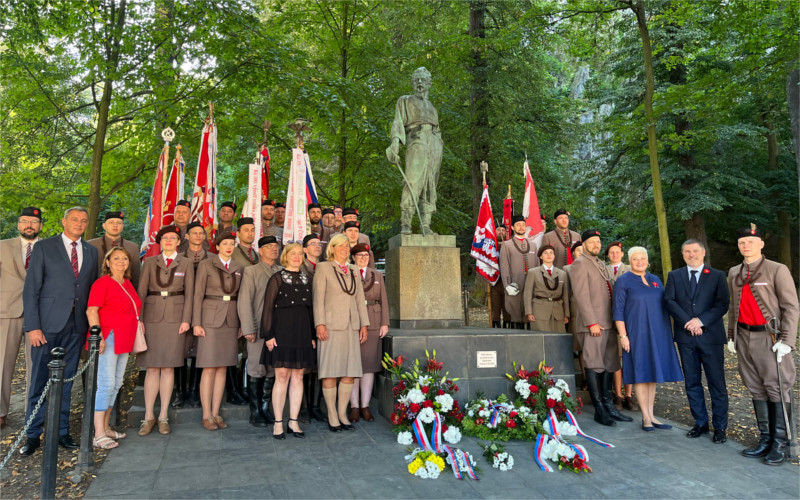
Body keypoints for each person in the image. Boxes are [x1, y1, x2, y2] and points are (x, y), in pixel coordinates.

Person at [21, 207, 99, 455]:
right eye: (74, 219)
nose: (79, 223)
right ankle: (33, 434)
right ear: (63, 221)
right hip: (47, 327)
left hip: (76, 327)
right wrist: (33, 327)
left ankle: (61, 431)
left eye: (83, 220)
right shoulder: (44, 247)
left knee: (66, 381)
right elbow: (31, 290)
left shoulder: (91, 251)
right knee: (39, 382)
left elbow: (91, 290)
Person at [727, 224, 798, 466]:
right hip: (744, 337)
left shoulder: (777, 270)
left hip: (770, 339)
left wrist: (787, 341)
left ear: (761, 244)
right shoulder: (734, 271)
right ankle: (765, 439)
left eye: (750, 241)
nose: (745, 246)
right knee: (755, 388)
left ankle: (781, 443)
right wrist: (731, 336)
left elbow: (791, 307)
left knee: (776, 387)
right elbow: (733, 307)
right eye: (741, 242)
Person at [663, 239, 730, 443]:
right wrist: (688, 322)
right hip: (686, 337)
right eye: (687, 251)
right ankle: (700, 422)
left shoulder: (717, 276)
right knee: (692, 382)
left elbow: (722, 304)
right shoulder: (675, 275)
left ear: (703, 253)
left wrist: (701, 322)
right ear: (682, 254)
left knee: (716, 383)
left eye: (695, 251)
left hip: (710, 337)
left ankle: (720, 427)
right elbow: (669, 300)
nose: (691, 254)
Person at [613, 246, 683, 431]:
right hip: (636, 333)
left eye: (642, 258)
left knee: (652, 374)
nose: (640, 262)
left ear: (648, 260)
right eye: (635, 259)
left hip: (659, 332)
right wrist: (623, 336)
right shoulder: (623, 281)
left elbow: (667, 304)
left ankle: (652, 415)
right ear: (629, 261)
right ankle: (645, 417)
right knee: (641, 372)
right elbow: (618, 310)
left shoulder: (655, 280)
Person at [136, 225, 194, 436]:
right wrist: (139, 319)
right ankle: (149, 416)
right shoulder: (150, 262)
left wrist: (187, 319)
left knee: (169, 368)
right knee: (152, 368)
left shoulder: (186, 263)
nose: (169, 241)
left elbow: (191, 293)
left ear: (179, 242)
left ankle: (163, 416)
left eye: (173, 238)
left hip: (175, 318)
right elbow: (141, 292)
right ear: (159, 242)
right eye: (165, 238)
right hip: (151, 318)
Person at [569, 229, 630, 427]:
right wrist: (591, 322)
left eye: (598, 241)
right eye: (592, 241)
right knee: (594, 364)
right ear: (583, 244)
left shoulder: (600, 264)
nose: (596, 245)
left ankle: (609, 406)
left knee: (609, 363)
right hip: (593, 324)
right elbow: (581, 295)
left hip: (608, 323)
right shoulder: (580, 264)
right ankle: (599, 410)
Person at [312, 234, 370, 432]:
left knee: (349, 373)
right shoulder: (323, 268)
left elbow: (359, 299)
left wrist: (364, 324)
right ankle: (332, 414)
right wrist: (319, 324)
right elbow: (318, 299)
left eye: (347, 246)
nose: (345, 249)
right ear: (332, 248)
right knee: (330, 371)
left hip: (351, 327)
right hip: (330, 327)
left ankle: (343, 413)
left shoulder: (354, 270)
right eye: (340, 246)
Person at [86, 247, 140, 449]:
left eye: (124, 258)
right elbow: (92, 310)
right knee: (106, 384)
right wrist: (97, 335)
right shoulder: (103, 283)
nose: (121, 261)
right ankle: (98, 434)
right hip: (107, 338)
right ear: (107, 262)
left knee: (116, 384)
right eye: (116, 258)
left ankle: (106, 427)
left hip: (124, 340)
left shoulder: (126, 283)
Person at [261, 243, 316, 439]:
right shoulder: (276, 278)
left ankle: (293, 421)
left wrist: (311, 335)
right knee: (282, 376)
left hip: (302, 332)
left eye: (300, 254)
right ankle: (278, 422)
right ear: (286, 256)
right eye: (293, 253)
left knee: (298, 376)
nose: (296, 256)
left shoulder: (308, 278)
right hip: (281, 332)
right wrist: (268, 334)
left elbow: (311, 310)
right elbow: (267, 308)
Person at [193, 231, 244, 431]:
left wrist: (240, 324)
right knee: (209, 367)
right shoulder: (206, 264)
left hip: (230, 319)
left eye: (232, 243)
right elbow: (197, 294)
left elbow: (240, 297)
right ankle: (206, 414)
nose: (229, 247)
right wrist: (196, 322)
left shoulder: (238, 267)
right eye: (225, 244)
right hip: (210, 319)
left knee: (223, 367)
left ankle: (216, 412)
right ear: (218, 246)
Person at [386, 67, 443, 236]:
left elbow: (437, 129)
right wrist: (395, 143)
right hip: (416, 139)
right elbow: (398, 122)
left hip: (434, 143)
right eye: (417, 79)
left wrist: (438, 144)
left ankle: (426, 223)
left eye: (423, 80)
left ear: (429, 83)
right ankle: (406, 221)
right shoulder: (405, 100)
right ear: (412, 82)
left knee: (430, 183)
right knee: (412, 180)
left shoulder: (432, 107)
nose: (419, 83)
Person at [0, 207, 40, 430]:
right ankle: (1, 412)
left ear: (40, 225)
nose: (29, 225)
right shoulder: (2, 246)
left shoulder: (49, 248)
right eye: (25, 221)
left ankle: (32, 412)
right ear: (18, 224)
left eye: (34, 221)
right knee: (2, 363)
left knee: (36, 364)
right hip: (6, 311)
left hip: (39, 313)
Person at [238, 236, 281, 427]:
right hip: (257, 328)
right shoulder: (252, 271)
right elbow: (245, 301)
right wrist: (248, 327)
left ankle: (265, 408)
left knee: (272, 369)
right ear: (259, 251)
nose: (273, 249)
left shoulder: (282, 271)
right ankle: (254, 411)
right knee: (256, 368)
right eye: (268, 247)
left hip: (278, 329)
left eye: (275, 246)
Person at [348, 243, 389, 422]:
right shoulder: (347, 273)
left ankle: (365, 405)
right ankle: (354, 406)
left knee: (369, 366)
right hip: (353, 322)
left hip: (373, 321)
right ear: (354, 258)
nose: (363, 258)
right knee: (353, 365)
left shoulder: (377, 275)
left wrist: (385, 323)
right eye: (359, 255)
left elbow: (384, 300)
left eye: (366, 255)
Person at [174, 221, 210, 409]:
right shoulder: (178, 258)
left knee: (199, 349)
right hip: (181, 307)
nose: (197, 236)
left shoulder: (211, 258)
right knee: (179, 348)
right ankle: (180, 391)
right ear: (186, 237)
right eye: (193, 233)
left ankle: (195, 390)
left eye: (200, 233)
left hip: (204, 308)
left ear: (204, 237)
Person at [604, 240, 633, 410]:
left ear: (622, 254)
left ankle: (629, 394)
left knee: (628, 357)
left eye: (617, 252)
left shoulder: (630, 269)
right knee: (615, 358)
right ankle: (618, 395)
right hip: (609, 318)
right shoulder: (603, 270)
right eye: (611, 252)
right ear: (607, 255)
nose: (614, 255)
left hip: (628, 319)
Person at [300, 234, 325, 421]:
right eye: (312, 244)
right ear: (305, 249)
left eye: (319, 243)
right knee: (304, 366)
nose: (317, 246)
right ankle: (303, 407)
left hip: (323, 320)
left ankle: (316, 405)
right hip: (304, 319)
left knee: (319, 366)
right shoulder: (300, 268)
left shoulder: (325, 267)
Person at [499, 215, 540, 329]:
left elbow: (537, 265)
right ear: (512, 227)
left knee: (529, 315)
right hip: (515, 284)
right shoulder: (507, 245)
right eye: (518, 225)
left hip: (531, 285)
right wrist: (507, 285)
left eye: (523, 225)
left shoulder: (533, 245)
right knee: (515, 315)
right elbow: (504, 267)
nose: (521, 227)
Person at [87, 211, 141, 288]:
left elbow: (136, 277)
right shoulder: (91, 245)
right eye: (111, 222)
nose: (115, 225)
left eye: (119, 223)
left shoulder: (132, 247)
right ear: (104, 226)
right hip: (96, 292)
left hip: (123, 293)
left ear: (123, 226)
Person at [524, 244, 569, 333]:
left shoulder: (562, 273)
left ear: (554, 256)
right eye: (545, 253)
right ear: (541, 256)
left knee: (558, 338)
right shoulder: (533, 272)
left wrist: (566, 314)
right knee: (541, 339)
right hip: (540, 311)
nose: (549, 255)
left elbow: (565, 295)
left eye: (551, 253)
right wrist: (529, 312)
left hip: (558, 311)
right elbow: (528, 294)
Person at [490, 223, 510, 328]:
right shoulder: (491, 247)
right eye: (498, 230)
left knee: (507, 305)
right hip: (495, 280)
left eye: (503, 230)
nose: (501, 232)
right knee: (496, 305)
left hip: (507, 280)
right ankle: (495, 324)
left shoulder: (509, 245)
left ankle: (507, 324)